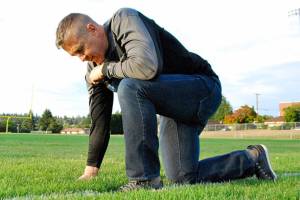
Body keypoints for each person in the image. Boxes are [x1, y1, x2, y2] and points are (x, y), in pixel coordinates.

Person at [55, 8, 277, 191]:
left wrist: (107, 69)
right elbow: (100, 120)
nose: (82, 58)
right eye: (76, 55)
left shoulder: (124, 20)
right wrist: (91, 168)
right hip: (174, 107)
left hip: (201, 87)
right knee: (182, 176)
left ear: (92, 29)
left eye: (81, 50)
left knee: (130, 86)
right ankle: (253, 158)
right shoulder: (94, 66)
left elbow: (146, 67)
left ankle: (144, 180)